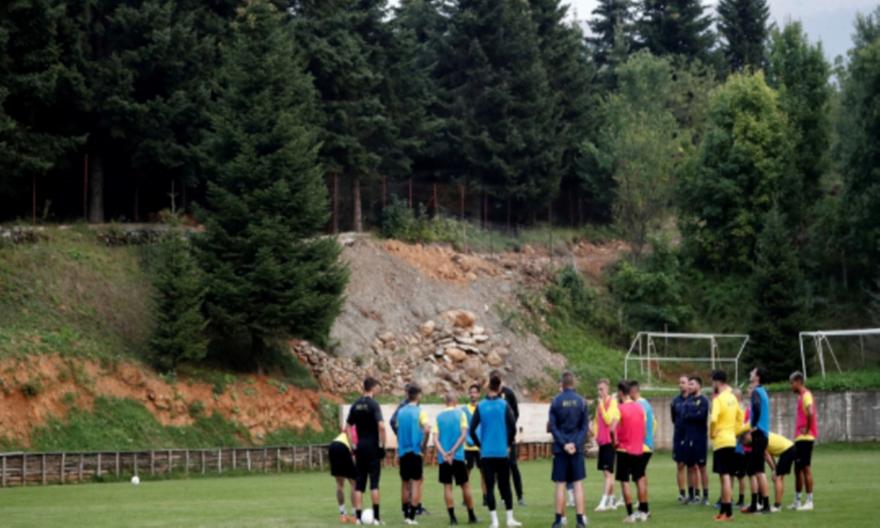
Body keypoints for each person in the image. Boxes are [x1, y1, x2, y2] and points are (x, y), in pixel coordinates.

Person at [469, 373, 522, 528]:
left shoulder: (480, 406)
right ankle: (510, 519)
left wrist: (480, 446)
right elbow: (513, 427)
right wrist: (507, 443)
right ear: (499, 388)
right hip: (501, 452)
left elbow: (472, 430)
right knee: (505, 485)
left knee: (490, 486)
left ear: (488, 388)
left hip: (486, 453)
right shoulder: (504, 405)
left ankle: (495, 521)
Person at [549, 372, 590, 528]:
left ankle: (558, 520)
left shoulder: (556, 401)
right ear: (573, 384)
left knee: (560, 484)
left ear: (562, 384)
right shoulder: (581, 402)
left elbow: (553, 427)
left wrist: (564, 444)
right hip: (576, 449)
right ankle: (580, 520)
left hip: (561, 449)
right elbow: (584, 427)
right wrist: (575, 443)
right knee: (578, 484)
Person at [346, 377, 387, 525]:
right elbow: (381, 426)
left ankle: (358, 518)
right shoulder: (374, 404)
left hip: (360, 447)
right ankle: (376, 519)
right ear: (373, 388)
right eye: (378, 388)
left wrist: (353, 445)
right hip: (372, 447)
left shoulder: (355, 405)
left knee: (359, 484)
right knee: (374, 483)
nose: (379, 390)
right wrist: (382, 445)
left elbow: (348, 426)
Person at [436, 392, 478, 525]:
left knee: (447, 487)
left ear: (445, 402)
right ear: (455, 401)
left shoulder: (439, 417)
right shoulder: (461, 414)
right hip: (458, 456)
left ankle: (453, 519)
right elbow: (464, 435)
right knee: (465, 485)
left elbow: (435, 439)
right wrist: (453, 451)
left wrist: (444, 453)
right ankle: (471, 516)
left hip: (444, 458)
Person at [709, 369, 745, 522]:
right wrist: (735, 431)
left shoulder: (718, 399)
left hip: (721, 441)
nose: (712, 384)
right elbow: (740, 416)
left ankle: (728, 512)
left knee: (724, 477)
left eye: (712, 381)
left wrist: (712, 433)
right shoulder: (733, 398)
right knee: (726, 476)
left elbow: (713, 419)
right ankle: (723, 511)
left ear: (717, 382)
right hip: (731, 440)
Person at [391, 385, 428, 518]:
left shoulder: (401, 412)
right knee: (416, 483)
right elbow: (427, 429)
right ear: (418, 395)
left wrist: (398, 451)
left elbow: (398, 430)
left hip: (403, 452)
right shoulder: (420, 412)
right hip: (415, 451)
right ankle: (412, 515)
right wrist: (423, 444)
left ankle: (405, 512)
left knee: (405, 483)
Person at [614, 380, 647, 523]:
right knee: (640, 479)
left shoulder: (620, 408)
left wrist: (615, 442)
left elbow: (612, 428)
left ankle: (631, 515)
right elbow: (644, 430)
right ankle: (644, 512)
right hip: (638, 449)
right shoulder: (640, 407)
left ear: (621, 392)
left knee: (624, 481)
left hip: (624, 449)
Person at [491, 370, 525, 506]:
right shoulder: (491, 396)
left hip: (508, 436)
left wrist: (510, 427)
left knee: (513, 465)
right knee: (499, 468)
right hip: (496, 438)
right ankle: (503, 497)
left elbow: (516, 412)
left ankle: (520, 496)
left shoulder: (509, 393)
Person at [743, 368, 771, 514]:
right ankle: (755, 504)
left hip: (759, 434)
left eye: (753, 372)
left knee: (759, 471)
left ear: (757, 377)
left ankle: (765, 505)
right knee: (752, 470)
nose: (751, 373)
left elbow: (757, 408)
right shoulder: (762, 391)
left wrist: (752, 427)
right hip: (761, 435)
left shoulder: (756, 392)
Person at [790, 371, 817, 511]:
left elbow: (811, 412)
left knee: (806, 468)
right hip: (800, 439)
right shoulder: (801, 396)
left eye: (792, 383)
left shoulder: (806, 395)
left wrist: (807, 429)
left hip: (806, 438)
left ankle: (810, 501)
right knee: (797, 469)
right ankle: (798, 501)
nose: (791, 386)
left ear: (798, 382)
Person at [593, 378, 619, 512]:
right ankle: (612, 499)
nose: (600, 392)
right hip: (602, 442)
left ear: (607, 389)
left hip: (610, 442)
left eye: (602, 389)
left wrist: (602, 406)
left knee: (608, 473)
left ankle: (603, 502)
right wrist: (595, 435)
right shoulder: (600, 404)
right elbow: (596, 421)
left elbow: (608, 420)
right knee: (607, 473)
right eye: (598, 389)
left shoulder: (612, 402)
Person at [684, 376, 710, 506]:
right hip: (688, 438)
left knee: (702, 467)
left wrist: (691, 415)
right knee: (690, 467)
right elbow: (684, 416)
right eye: (688, 384)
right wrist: (693, 414)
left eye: (692, 384)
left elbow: (701, 416)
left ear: (699, 386)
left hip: (700, 438)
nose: (689, 386)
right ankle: (691, 495)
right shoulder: (687, 400)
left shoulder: (704, 400)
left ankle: (705, 496)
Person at [462, 384, 487, 507]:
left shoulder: (483, 408)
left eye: (475, 392)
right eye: (471, 392)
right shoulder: (464, 410)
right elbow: (463, 427)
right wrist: (467, 439)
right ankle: (465, 498)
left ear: (479, 394)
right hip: (468, 447)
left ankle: (486, 498)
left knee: (484, 473)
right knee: (466, 474)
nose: (473, 395)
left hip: (481, 447)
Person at [329, 429, 358, 523]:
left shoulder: (350, 424)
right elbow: (353, 445)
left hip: (333, 445)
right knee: (354, 483)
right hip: (343, 447)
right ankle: (354, 515)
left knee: (339, 484)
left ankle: (343, 515)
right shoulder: (360, 428)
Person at [763, 432, 796, 513]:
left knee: (777, 478)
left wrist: (774, 470)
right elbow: (770, 455)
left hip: (787, 450)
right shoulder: (763, 434)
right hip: (789, 448)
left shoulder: (759, 439)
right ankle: (778, 503)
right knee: (779, 478)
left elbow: (767, 456)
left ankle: (777, 506)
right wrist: (774, 469)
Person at [672, 375, 690, 503]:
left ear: (689, 384)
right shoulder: (675, 401)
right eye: (680, 382)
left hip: (691, 435)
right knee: (680, 465)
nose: (681, 385)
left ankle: (694, 493)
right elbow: (673, 418)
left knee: (693, 466)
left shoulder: (694, 400)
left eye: (683, 382)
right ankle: (682, 493)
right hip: (679, 435)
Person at [732, 389, 748, 508]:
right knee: (731, 474)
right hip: (731, 446)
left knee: (740, 475)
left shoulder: (742, 410)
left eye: (734, 396)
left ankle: (741, 500)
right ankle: (729, 498)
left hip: (740, 448)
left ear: (738, 397)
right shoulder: (733, 409)